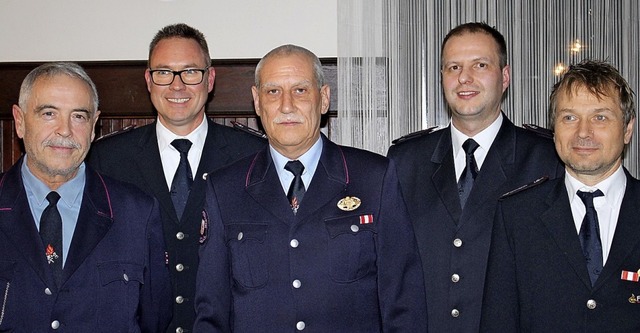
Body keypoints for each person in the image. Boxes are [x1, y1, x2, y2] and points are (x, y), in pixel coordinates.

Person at [193, 44, 427, 332]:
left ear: (324, 98)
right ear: (257, 101)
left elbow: (404, 304)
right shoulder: (225, 188)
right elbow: (212, 314)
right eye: (273, 91)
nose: (287, 105)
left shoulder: (373, 178)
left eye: (300, 90)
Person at [88, 23, 266, 332]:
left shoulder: (251, 156)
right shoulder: (107, 160)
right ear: (148, 80)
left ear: (209, 79)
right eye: (164, 73)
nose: (177, 85)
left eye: (190, 72)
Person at [387, 22, 563, 332]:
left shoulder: (547, 160)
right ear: (442, 78)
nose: (464, 78)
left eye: (480, 65)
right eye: (453, 67)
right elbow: (392, 269)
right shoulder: (406, 161)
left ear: (505, 77)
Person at [0, 62, 171, 332]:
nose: (65, 130)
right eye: (48, 114)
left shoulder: (136, 212)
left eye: (78, 116)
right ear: (20, 121)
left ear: (94, 126)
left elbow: (156, 319)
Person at [481, 60, 640, 331]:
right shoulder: (517, 216)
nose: (583, 132)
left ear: (627, 129)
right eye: (570, 117)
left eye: (600, 117)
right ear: (554, 128)